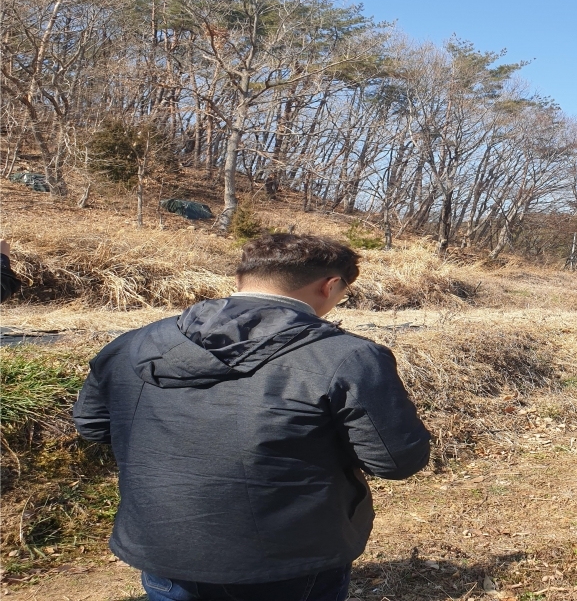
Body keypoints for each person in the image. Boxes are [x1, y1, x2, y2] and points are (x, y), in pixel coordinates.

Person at [73, 233, 431, 601]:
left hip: (163, 546)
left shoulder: (132, 343)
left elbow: (94, 425)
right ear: (331, 285)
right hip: (290, 558)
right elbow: (396, 460)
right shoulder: (347, 357)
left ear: (243, 278)